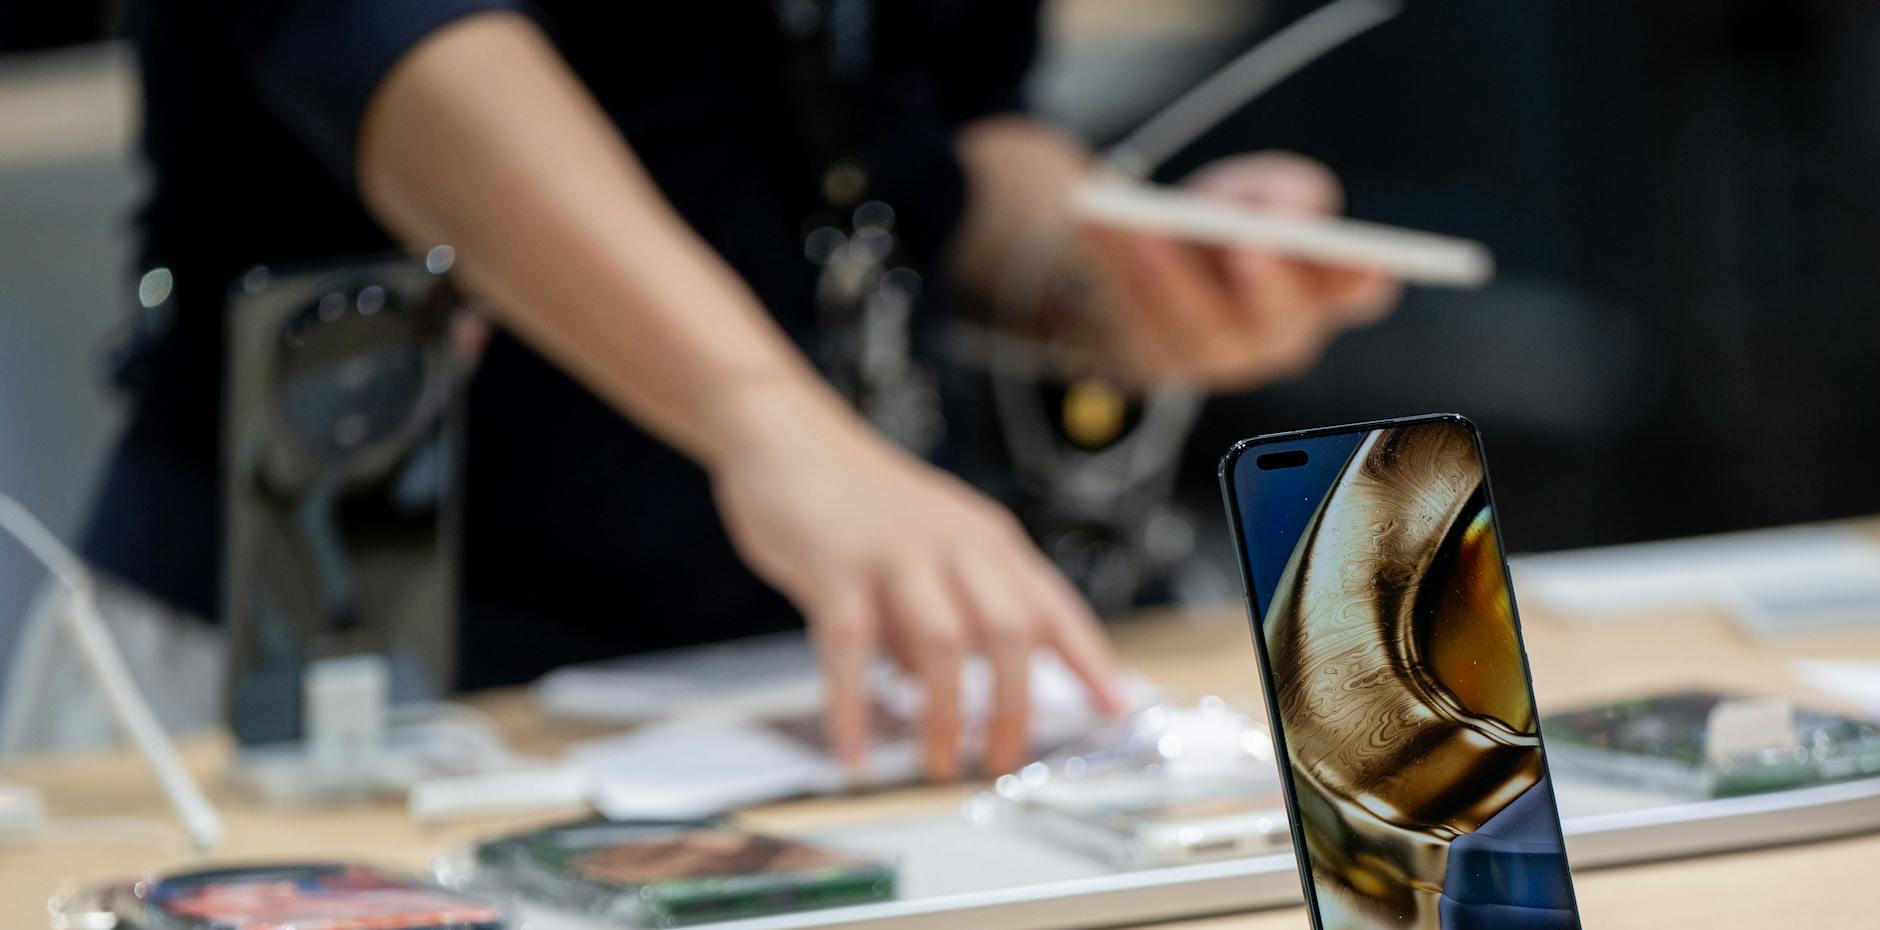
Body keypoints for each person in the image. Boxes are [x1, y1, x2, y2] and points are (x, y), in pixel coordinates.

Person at [84, 3, 1396, 780]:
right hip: (343, 646)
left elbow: (944, 125)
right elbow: (394, 49)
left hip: (797, 678)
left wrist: (1106, 264)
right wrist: (764, 413)